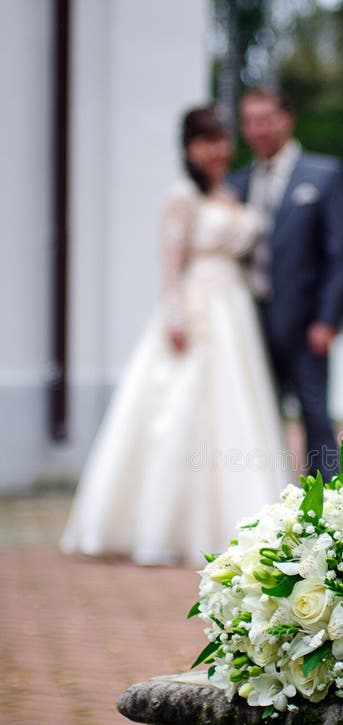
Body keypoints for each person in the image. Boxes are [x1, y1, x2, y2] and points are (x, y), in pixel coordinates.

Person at [61, 105, 287, 566]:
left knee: (237, 413)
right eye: (207, 141)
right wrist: (175, 317)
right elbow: (170, 265)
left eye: (222, 139)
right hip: (199, 310)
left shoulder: (229, 192)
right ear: (189, 148)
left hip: (235, 313)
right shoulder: (181, 196)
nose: (217, 150)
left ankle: (239, 522)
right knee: (181, 414)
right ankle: (164, 525)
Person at [230, 88, 343, 481]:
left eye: (265, 119)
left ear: (287, 119)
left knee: (315, 417)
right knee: (258, 417)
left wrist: (327, 319)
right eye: (249, 121)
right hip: (251, 323)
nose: (257, 129)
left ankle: (326, 507)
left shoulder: (323, 175)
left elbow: (339, 254)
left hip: (304, 325)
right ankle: (269, 498)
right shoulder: (238, 183)